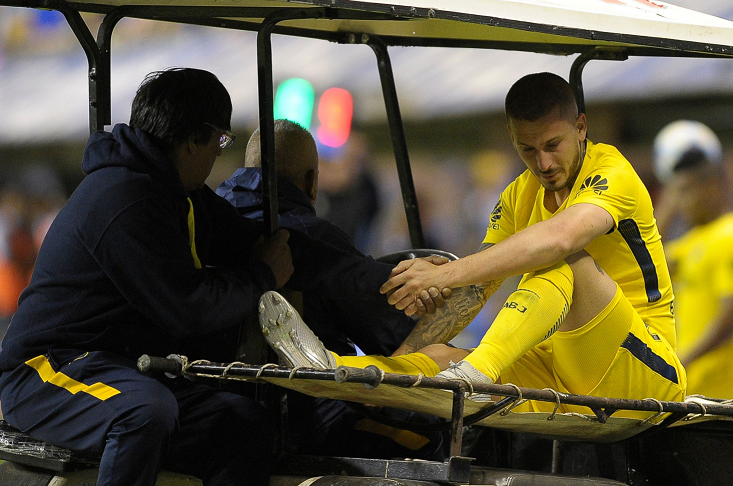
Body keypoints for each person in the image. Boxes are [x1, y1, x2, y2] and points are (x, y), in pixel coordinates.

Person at [257, 72, 686, 419]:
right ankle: (336, 368)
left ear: (581, 127)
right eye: (527, 149)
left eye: (553, 145)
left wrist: (442, 272)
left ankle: (475, 374)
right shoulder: (518, 195)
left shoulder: (614, 170)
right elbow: (478, 286)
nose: (544, 163)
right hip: (561, 367)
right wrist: (403, 358)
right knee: (438, 356)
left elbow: (560, 238)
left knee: (565, 262)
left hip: (643, 369)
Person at [0, 68, 293, 486]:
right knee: (144, 411)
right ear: (194, 140)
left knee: (242, 423)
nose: (216, 156)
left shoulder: (175, 192)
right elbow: (187, 309)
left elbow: (247, 239)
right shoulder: (123, 197)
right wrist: (264, 276)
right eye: (219, 142)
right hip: (45, 371)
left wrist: (345, 263)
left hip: (118, 368)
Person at [216, 119, 449, 460]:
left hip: (216, 405)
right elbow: (391, 330)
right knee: (433, 433)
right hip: (304, 419)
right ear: (312, 182)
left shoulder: (210, 224)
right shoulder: (311, 238)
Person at [652, 120, 733, 399]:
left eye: (685, 191)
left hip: (720, 396)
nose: (680, 201)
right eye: (675, 193)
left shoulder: (728, 235)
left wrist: (684, 360)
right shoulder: (689, 243)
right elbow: (647, 264)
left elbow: (730, 315)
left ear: (711, 185)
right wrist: (670, 201)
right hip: (694, 392)